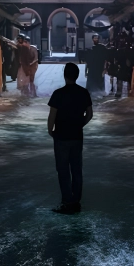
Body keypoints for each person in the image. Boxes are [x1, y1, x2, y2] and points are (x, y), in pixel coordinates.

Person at [48, 63, 93, 214]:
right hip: (77, 136)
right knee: (76, 169)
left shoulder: (58, 93)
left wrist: (50, 130)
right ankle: (76, 201)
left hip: (61, 136)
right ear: (77, 75)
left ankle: (67, 202)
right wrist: (80, 125)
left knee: (63, 170)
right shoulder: (83, 93)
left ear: (65, 75)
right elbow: (90, 114)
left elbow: (52, 115)